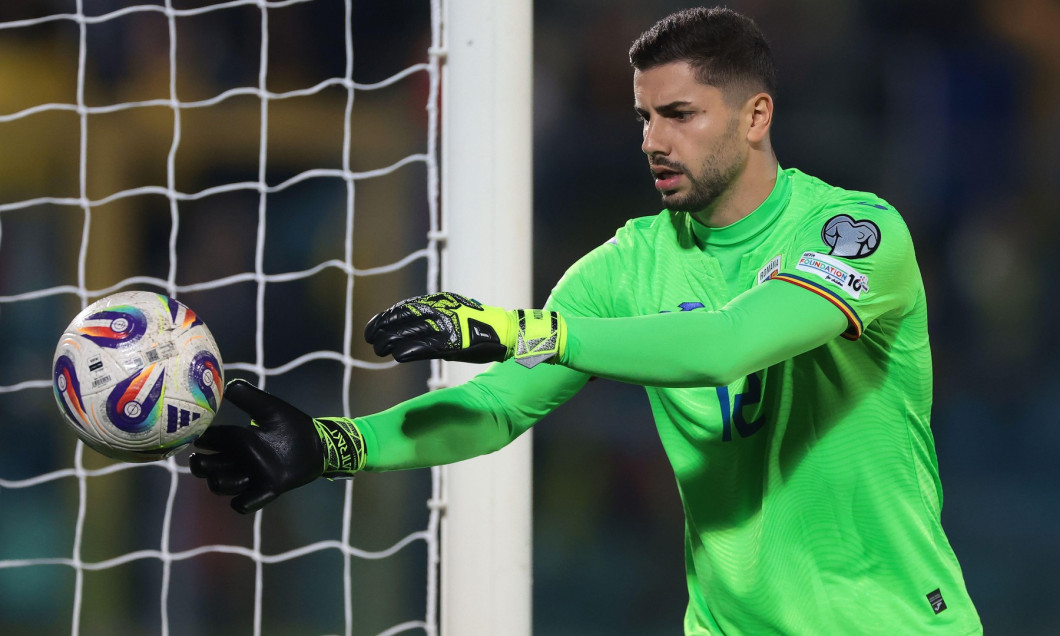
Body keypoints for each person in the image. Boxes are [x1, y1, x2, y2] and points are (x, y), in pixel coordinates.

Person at [190, 7, 982, 634]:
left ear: (756, 116)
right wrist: (337, 445)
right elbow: (499, 406)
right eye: (643, 118)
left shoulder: (854, 232)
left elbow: (728, 342)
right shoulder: (624, 267)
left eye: (680, 115)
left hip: (890, 620)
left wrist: (525, 329)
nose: (654, 142)